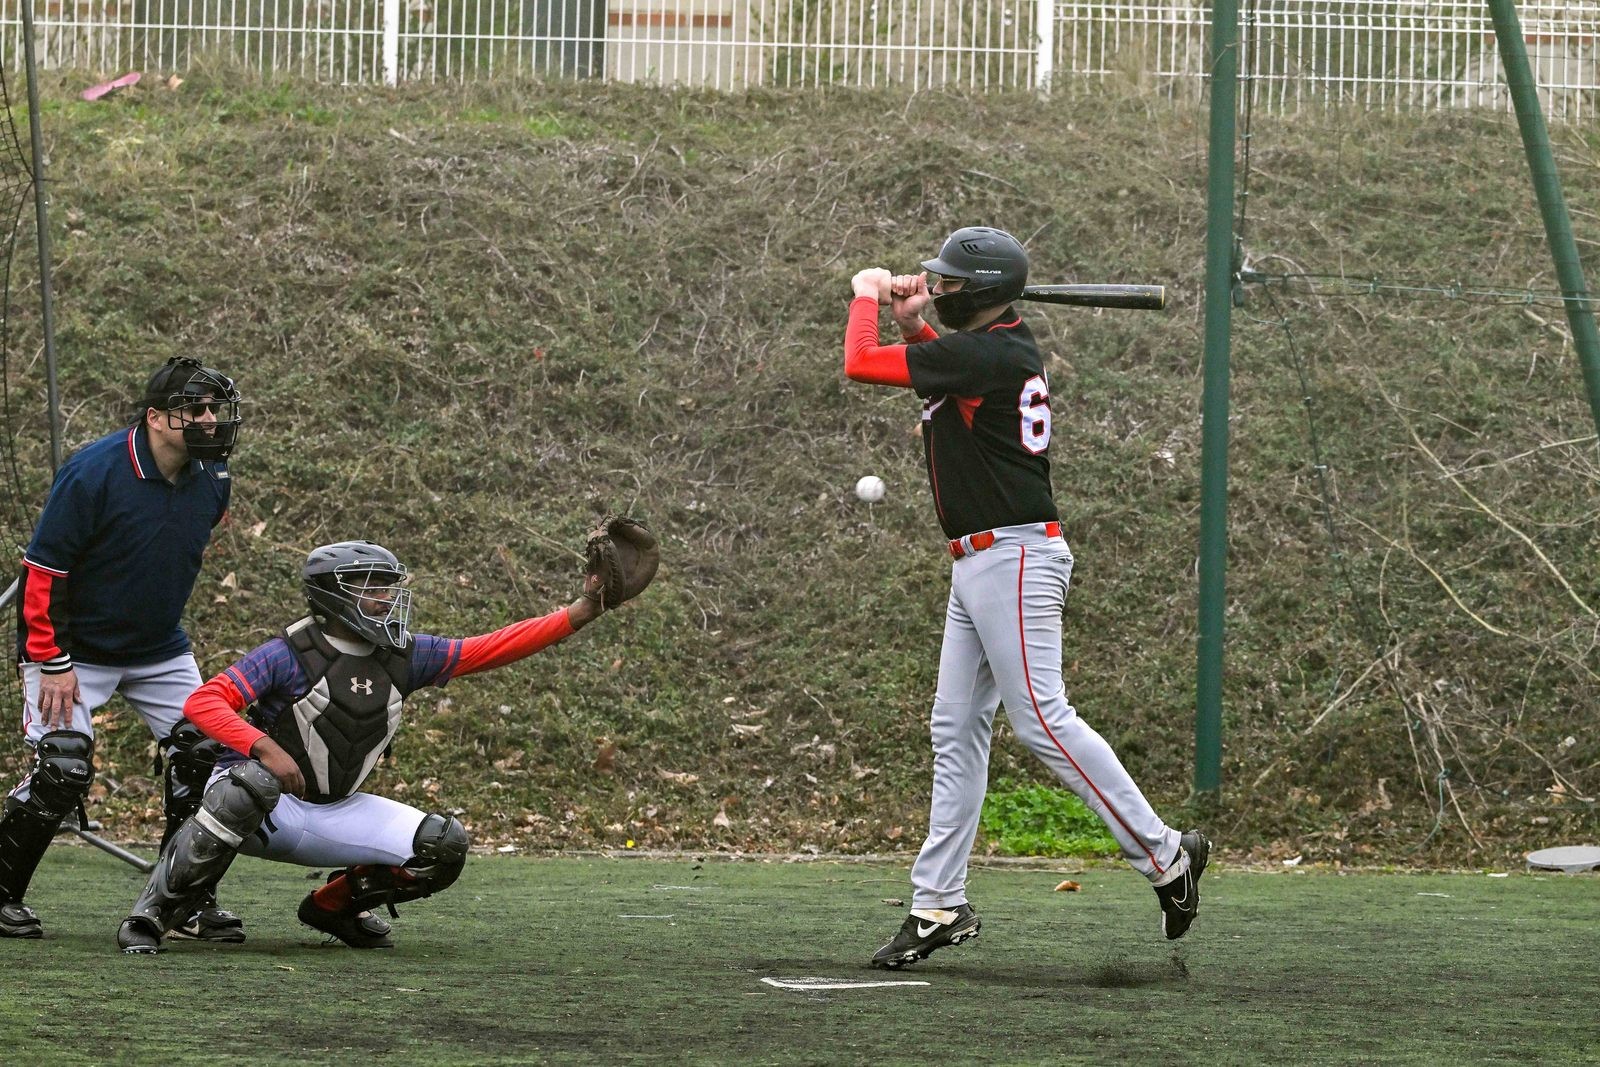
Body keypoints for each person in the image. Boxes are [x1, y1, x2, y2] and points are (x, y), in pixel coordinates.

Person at [842, 226, 1210, 969]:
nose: (936, 287)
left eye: (947, 283)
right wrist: (913, 317)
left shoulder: (987, 352)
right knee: (955, 728)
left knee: (1043, 719)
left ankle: (1167, 854)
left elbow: (859, 362)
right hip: (981, 561)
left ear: (978, 294)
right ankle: (937, 902)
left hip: (1012, 555)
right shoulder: (990, 345)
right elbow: (933, 370)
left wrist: (865, 296)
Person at [115, 534, 648, 954]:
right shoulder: (289, 651)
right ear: (332, 594)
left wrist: (583, 610)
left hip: (330, 810)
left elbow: (492, 647)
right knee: (248, 783)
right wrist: (263, 747)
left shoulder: (407, 655)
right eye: (370, 585)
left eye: (389, 585)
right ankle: (153, 915)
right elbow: (205, 702)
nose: (386, 597)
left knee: (443, 846)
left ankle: (331, 907)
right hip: (259, 808)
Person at [0, 357, 245, 942]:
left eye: (216, 409)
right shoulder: (93, 472)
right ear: (156, 417)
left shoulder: (214, 475)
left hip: (159, 649)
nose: (211, 420)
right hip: (71, 650)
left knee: (208, 754)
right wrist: (51, 661)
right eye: (196, 409)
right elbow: (42, 572)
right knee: (62, 767)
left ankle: (182, 900)